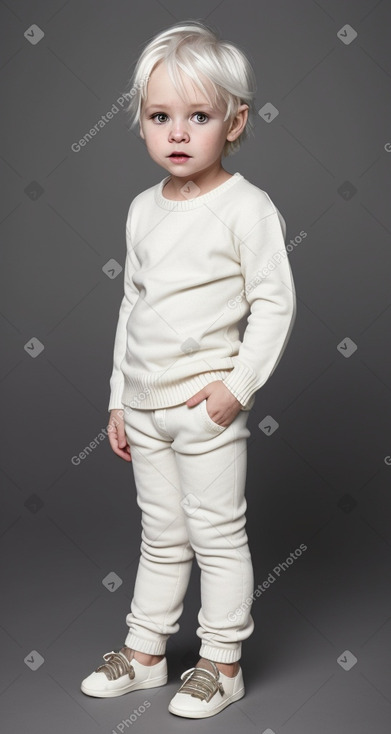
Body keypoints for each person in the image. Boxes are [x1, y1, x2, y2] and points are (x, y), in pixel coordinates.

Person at [81, 19, 296, 719]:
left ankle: (221, 662)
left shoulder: (247, 208)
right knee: (162, 535)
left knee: (216, 534)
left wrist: (233, 392)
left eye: (197, 117)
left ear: (234, 123)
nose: (177, 133)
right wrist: (118, 399)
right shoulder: (142, 210)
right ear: (140, 122)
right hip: (144, 409)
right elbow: (131, 307)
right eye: (159, 116)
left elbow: (274, 303)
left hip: (204, 410)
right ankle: (146, 654)